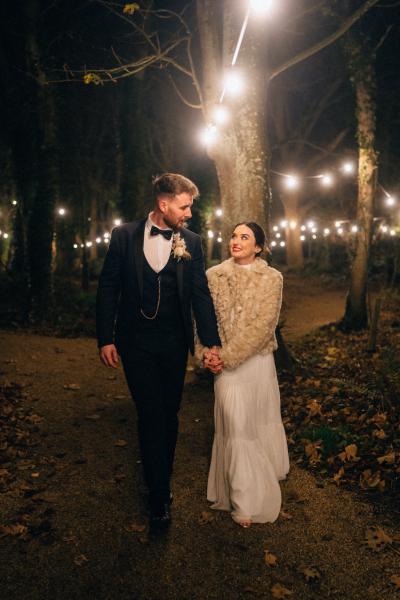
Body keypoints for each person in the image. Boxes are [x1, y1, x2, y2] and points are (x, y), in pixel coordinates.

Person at [96, 173, 221, 529]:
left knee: (170, 413)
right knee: (150, 412)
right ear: (163, 204)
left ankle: (160, 474)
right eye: (184, 206)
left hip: (173, 343)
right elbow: (108, 288)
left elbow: (200, 295)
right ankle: (158, 493)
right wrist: (106, 337)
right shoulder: (123, 236)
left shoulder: (192, 243)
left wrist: (210, 342)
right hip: (135, 343)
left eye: (190, 207)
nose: (189, 214)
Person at [198, 222, 289, 528]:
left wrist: (227, 356)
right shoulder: (214, 276)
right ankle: (244, 500)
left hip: (257, 363)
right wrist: (206, 353)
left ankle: (264, 476)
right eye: (234, 236)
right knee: (235, 427)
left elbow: (264, 327)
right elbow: (202, 320)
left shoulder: (272, 279)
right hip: (223, 367)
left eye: (244, 237)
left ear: (259, 246)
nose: (235, 241)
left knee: (255, 423)